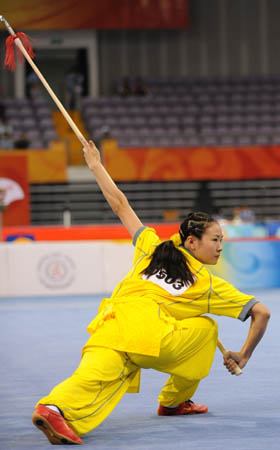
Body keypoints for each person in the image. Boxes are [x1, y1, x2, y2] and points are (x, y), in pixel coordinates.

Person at [32, 141, 270, 445]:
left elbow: (120, 204)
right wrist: (244, 355)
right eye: (215, 239)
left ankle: (52, 407)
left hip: (110, 323)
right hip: (151, 337)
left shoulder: (151, 245)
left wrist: (95, 165)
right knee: (206, 328)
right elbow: (261, 312)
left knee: (92, 375)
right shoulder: (207, 283)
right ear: (192, 243)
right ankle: (173, 402)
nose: (221, 246)